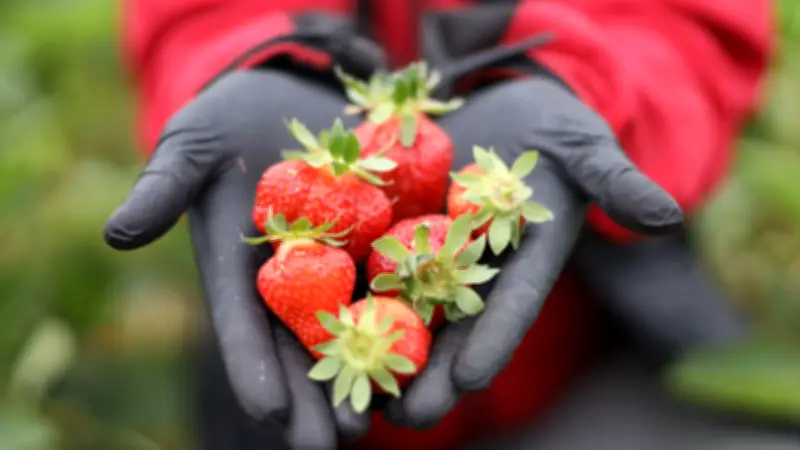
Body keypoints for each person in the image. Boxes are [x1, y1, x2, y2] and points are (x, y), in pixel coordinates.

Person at [104, 1, 789, 449]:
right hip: (292, 398)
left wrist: (568, 81)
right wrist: (261, 55)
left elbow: (697, 22)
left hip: (604, 346)